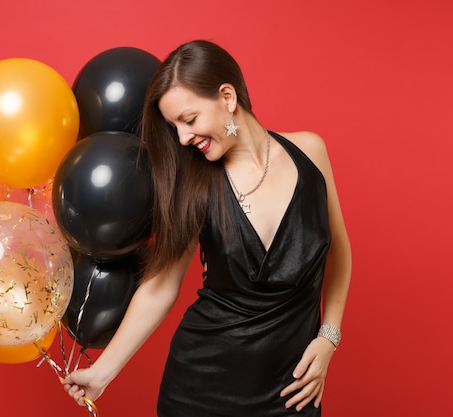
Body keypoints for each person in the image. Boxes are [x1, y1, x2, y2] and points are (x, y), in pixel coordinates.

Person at [63, 39, 352, 416]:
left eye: (189, 119)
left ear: (227, 97)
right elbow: (161, 286)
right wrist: (103, 372)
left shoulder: (310, 153)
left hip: (291, 390)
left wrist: (328, 338)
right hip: (202, 389)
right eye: (174, 127)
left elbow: (339, 252)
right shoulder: (195, 186)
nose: (183, 138)